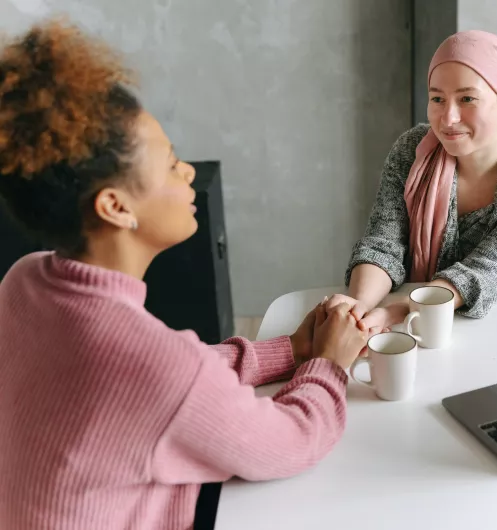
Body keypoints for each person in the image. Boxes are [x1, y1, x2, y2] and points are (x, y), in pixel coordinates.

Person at [0, 21, 368, 530]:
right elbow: (292, 442)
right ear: (116, 206)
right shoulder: (149, 363)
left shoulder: (23, 283)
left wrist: (289, 351)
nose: (189, 173)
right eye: (172, 164)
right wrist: (330, 364)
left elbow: (167, 376)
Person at [326, 30, 497, 330]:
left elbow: (488, 269)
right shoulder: (413, 150)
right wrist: (359, 307)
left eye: (467, 98)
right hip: (417, 328)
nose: (448, 118)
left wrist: (402, 309)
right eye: (437, 99)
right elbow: (383, 244)